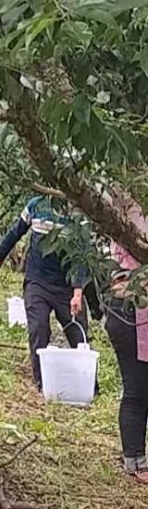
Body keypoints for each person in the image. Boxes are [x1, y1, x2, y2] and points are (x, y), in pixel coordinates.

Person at [0, 195, 87, 389]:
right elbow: (15, 232)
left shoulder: (76, 212)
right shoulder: (36, 206)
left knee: (78, 333)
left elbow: (82, 254)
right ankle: (42, 382)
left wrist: (77, 291)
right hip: (37, 281)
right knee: (38, 328)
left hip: (66, 285)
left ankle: (86, 380)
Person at [105, 196, 148, 482]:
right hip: (129, 315)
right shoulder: (123, 230)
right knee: (136, 388)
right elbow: (119, 282)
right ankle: (135, 460)